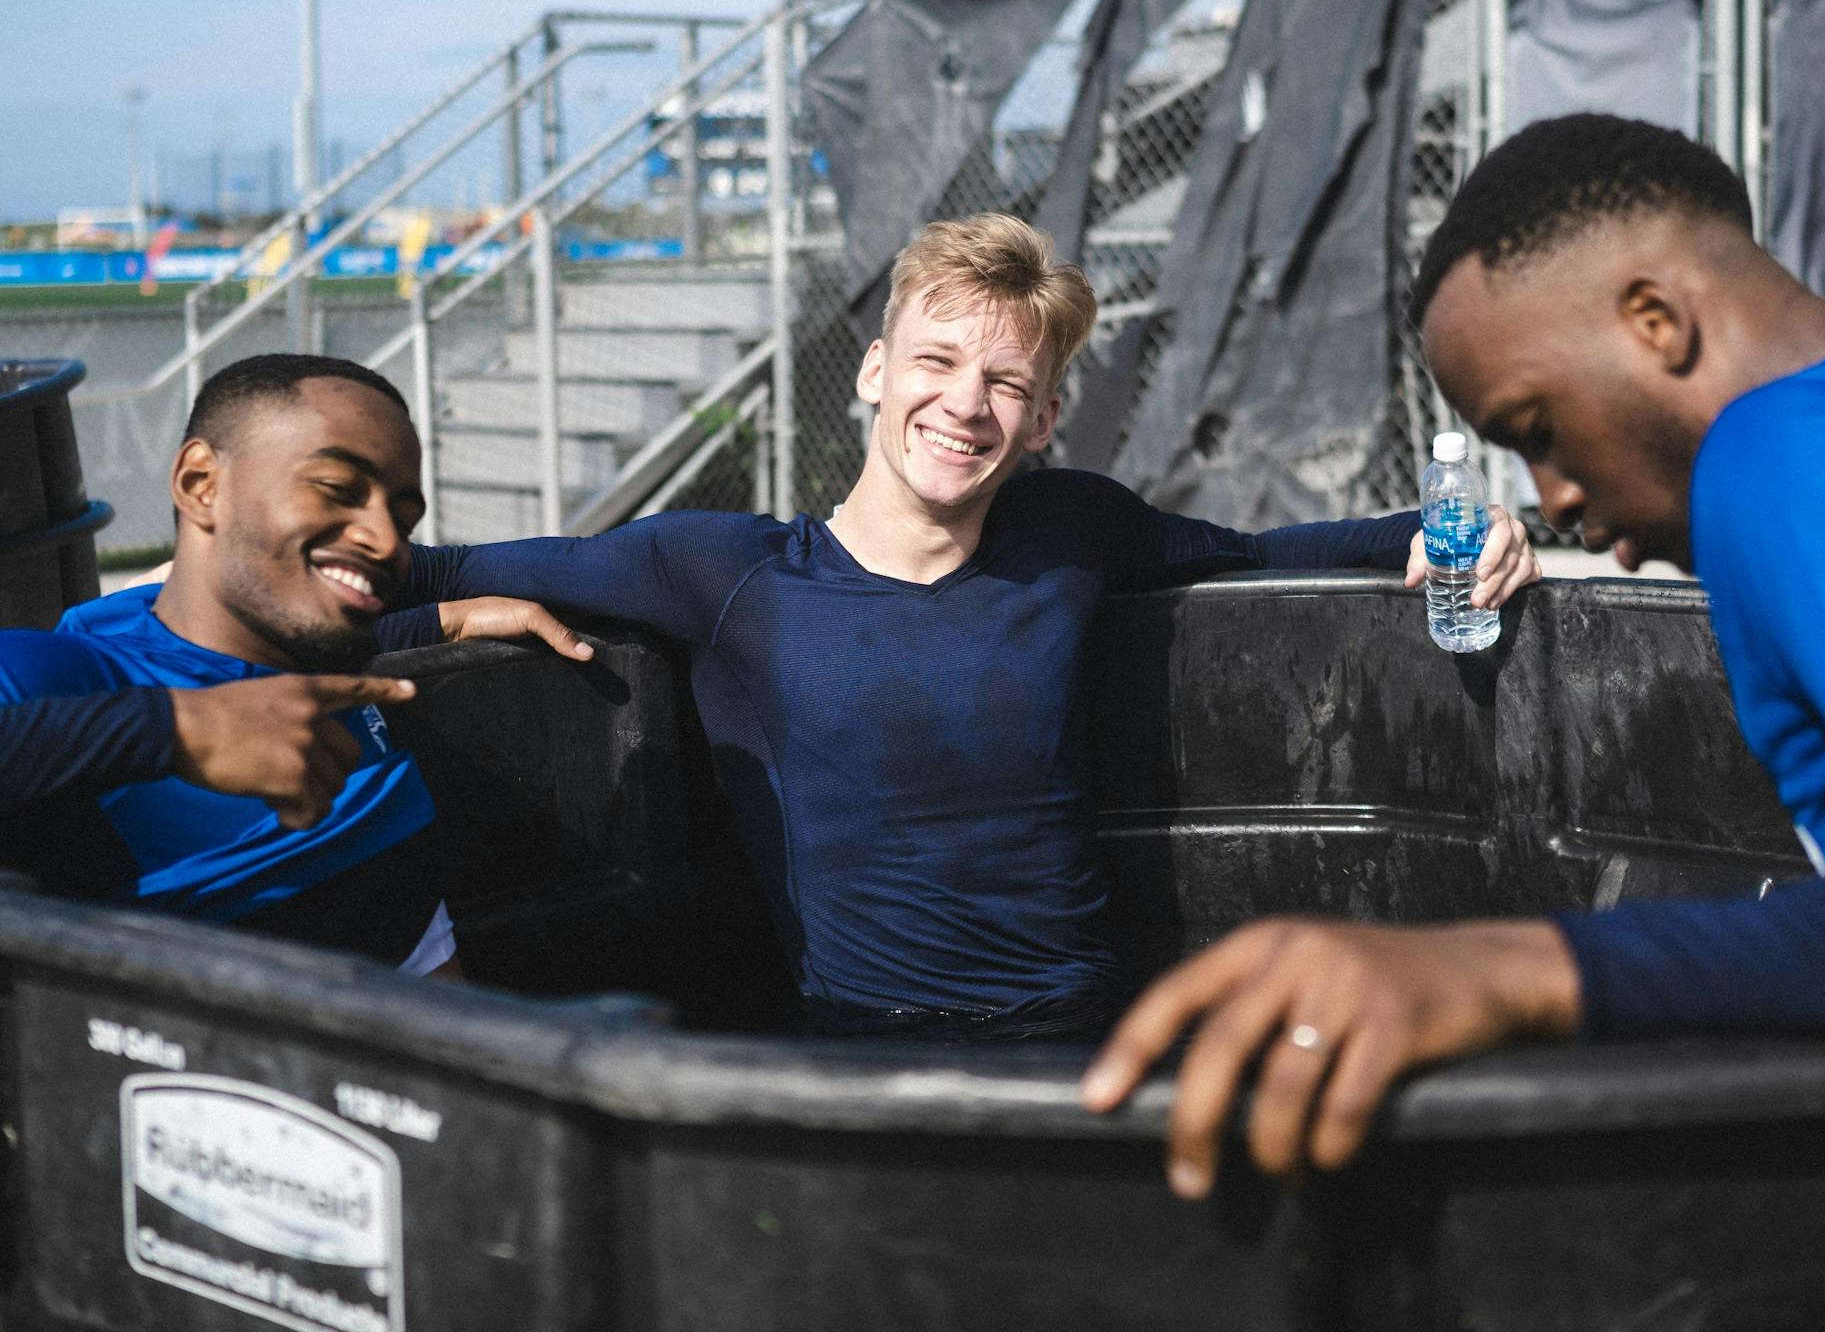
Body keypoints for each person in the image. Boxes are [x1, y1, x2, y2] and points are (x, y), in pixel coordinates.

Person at [391, 214, 1540, 1039]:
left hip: (1079, 1032)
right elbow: (412, 565)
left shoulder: (1073, 529)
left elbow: (1258, 552)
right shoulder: (723, 570)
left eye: (1003, 381)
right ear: (876, 372)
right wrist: (445, 609)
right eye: (935, 361)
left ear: (1042, 417)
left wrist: (1458, 525)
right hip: (853, 1039)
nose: (962, 402)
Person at [1083, 112, 1825, 1193]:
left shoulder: (1771, 454)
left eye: (1537, 426)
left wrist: (1508, 967)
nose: (1551, 497)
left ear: (1654, 319)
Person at [0, 354, 581, 974]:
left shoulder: (342, 685)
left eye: (405, 518)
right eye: (336, 489)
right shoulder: (68, 675)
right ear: (202, 483)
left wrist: (446, 619)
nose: (387, 540)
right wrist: (175, 729)